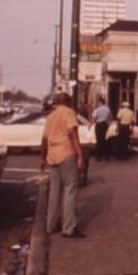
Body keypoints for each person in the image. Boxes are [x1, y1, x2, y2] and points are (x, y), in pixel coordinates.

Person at [40, 92, 86, 239]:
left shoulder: (50, 116)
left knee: (54, 191)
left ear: (56, 102)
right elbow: (72, 133)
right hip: (66, 153)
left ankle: (50, 226)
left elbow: (44, 140)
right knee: (70, 188)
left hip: (52, 155)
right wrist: (80, 155)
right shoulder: (69, 113)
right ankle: (68, 227)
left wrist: (42, 158)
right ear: (68, 102)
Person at [91, 96, 112, 161]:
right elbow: (110, 118)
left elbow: (94, 118)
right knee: (104, 139)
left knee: (99, 140)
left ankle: (99, 156)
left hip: (99, 125)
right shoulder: (108, 109)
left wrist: (90, 124)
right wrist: (108, 124)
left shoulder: (97, 109)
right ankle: (106, 156)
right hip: (105, 125)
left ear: (100, 102)